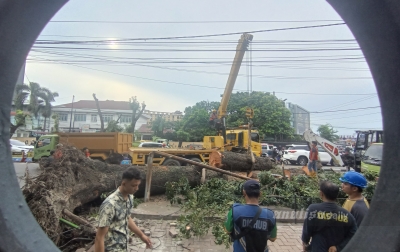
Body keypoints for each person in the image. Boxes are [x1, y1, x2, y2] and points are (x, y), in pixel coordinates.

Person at [95, 167, 152, 252]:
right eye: (133, 185)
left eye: (137, 185)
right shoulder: (110, 204)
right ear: (124, 183)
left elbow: (127, 218)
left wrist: (142, 236)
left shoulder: (130, 198)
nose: (136, 188)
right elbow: (99, 237)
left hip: (123, 248)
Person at [301, 181, 357, 252]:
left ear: (321, 194)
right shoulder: (348, 215)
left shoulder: (313, 209)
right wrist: (338, 247)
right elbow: (354, 235)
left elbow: (307, 231)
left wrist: (305, 246)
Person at [224, 180, 277, 252]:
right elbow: (273, 238)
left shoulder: (235, 211)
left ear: (244, 192)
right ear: (260, 194)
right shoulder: (270, 215)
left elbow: (227, 230)